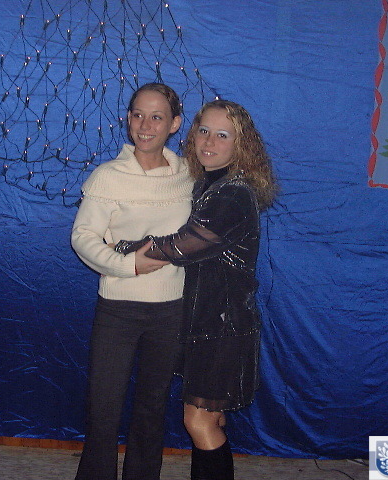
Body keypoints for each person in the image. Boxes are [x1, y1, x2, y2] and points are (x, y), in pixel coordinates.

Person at [115, 100, 277, 480]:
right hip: (209, 321)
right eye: (204, 131)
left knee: (199, 422)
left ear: (241, 144)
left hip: (221, 327)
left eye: (222, 135)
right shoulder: (209, 182)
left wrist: (121, 246)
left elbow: (181, 246)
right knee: (210, 420)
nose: (209, 142)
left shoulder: (233, 194)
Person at [71, 83, 194, 480]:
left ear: (174, 124)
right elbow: (83, 237)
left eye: (157, 117)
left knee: (152, 407)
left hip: (171, 310)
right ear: (127, 118)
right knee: (103, 407)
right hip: (118, 309)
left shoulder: (189, 176)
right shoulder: (108, 176)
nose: (145, 125)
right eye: (138, 114)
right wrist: (129, 266)